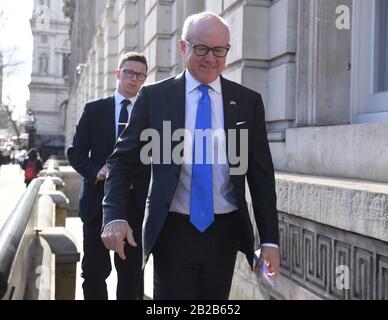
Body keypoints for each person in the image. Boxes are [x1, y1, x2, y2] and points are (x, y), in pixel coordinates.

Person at [102, 12, 280, 300]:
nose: (210, 58)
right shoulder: (154, 98)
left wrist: (270, 239)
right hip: (172, 231)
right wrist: (113, 216)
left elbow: (261, 177)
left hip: (224, 232)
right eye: (201, 48)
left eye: (218, 50)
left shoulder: (247, 103)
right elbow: (122, 162)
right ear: (183, 48)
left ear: (227, 51)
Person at [67, 52, 150, 300]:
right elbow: (75, 153)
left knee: (133, 275)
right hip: (96, 204)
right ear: (118, 73)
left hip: (135, 206)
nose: (134, 79)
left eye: (140, 75)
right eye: (129, 73)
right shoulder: (94, 110)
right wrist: (97, 171)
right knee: (93, 273)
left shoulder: (150, 114)